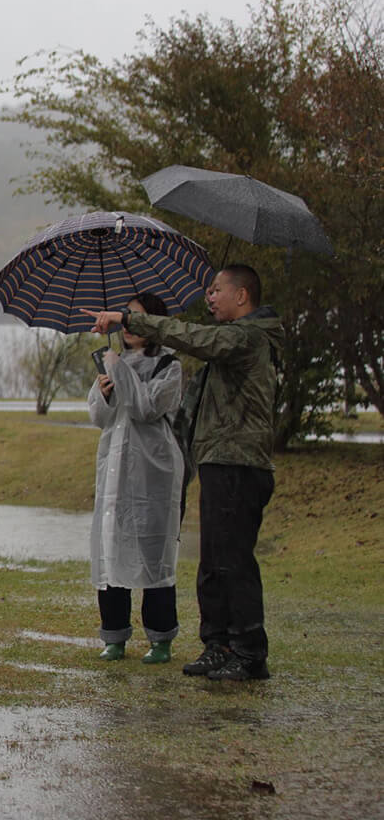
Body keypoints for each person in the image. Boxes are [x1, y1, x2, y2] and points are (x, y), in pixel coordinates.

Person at [86, 264, 283, 682]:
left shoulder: (246, 336)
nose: (209, 297)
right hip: (216, 459)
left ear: (242, 296)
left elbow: (191, 341)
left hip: (239, 462)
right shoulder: (233, 340)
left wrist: (129, 319)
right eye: (208, 290)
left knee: (232, 562)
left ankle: (248, 651)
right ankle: (219, 645)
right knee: (213, 562)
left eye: (216, 290)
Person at [87, 293, 183, 664]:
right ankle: (114, 636)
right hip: (114, 466)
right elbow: (98, 416)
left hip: (152, 469)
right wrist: (104, 391)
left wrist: (120, 373)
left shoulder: (168, 366)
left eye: (134, 318)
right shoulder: (113, 361)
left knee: (153, 554)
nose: (126, 325)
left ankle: (161, 638)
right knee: (111, 549)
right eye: (124, 318)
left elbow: (147, 407)